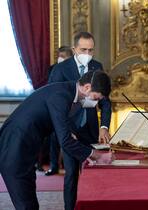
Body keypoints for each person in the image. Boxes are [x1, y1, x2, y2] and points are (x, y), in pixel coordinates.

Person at [0, 71, 113, 210]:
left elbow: (59, 125)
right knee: (25, 204)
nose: (96, 102)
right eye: (96, 98)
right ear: (87, 87)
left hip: (26, 147)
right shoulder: (61, 96)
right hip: (15, 148)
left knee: (30, 202)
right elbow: (65, 142)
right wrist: (97, 155)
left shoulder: (66, 91)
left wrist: (70, 134)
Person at [47, 32, 112, 210]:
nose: (88, 54)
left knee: (94, 174)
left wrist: (104, 127)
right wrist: (67, 132)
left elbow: (106, 102)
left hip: (91, 129)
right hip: (69, 131)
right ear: (74, 49)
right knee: (72, 174)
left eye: (91, 50)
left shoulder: (97, 66)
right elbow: (55, 104)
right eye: (83, 49)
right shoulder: (60, 70)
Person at [35, 46, 74, 172]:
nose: (60, 59)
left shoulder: (74, 70)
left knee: (67, 137)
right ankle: (53, 166)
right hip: (55, 107)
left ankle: (68, 166)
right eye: (59, 56)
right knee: (53, 139)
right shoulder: (52, 69)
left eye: (63, 56)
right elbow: (49, 86)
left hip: (71, 108)